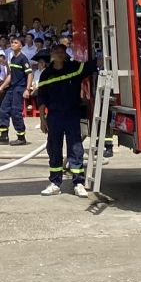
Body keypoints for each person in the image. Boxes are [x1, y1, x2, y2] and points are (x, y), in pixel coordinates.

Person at [33, 41, 97, 196]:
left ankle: (78, 183)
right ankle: (55, 183)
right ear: (52, 55)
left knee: (75, 148)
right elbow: (41, 98)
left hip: (72, 114)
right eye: (56, 52)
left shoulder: (74, 68)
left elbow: (91, 66)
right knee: (54, 149)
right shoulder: (46, 74)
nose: (59, 54)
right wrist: (42, 119)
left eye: (62, 51)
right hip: (54, 116)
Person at [0, 37, 30, 145]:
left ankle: (21, 137)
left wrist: (27, 89)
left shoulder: (23, 59)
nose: (13, 44)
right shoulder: (12, 59)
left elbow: (29, 74)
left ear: (21, 46)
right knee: (3, 110)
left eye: (16, 43)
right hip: (11, 88)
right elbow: (10, 75)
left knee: (16, 112)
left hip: (19, 88)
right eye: (12, 42)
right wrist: (1, 88)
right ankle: (4, 135)